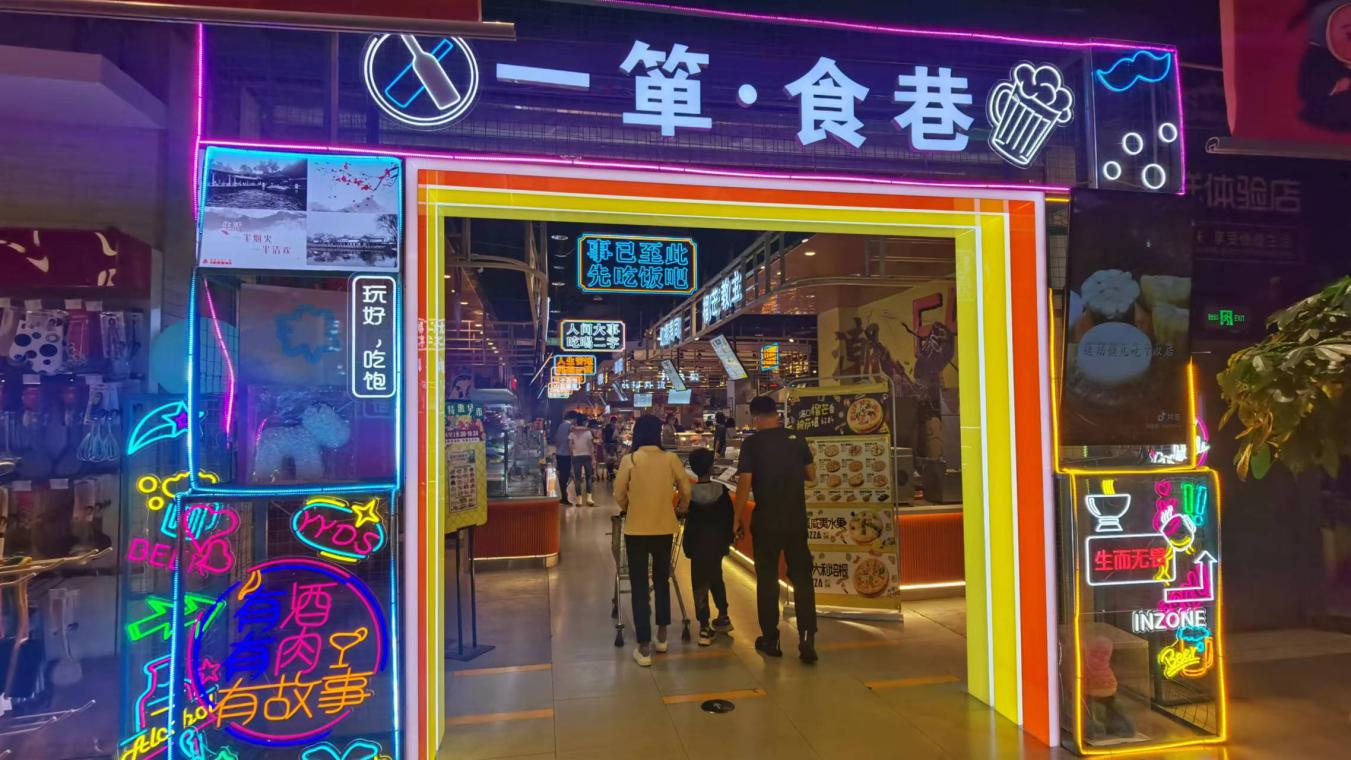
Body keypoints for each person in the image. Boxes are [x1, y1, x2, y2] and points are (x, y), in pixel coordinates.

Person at [733, 395, 818, 663]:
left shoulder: (752, 444)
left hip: (766, 521)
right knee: (802, 579)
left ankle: (771, 639)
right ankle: (807, 639)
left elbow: (744, 483)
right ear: (776, 414)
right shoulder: (797, 438)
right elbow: (812, 475)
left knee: (768, 579)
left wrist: (736, 518)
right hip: (796, 520)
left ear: (755, 417)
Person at [614, 414, 691, 667]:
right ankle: (662, 636)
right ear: (658, 433)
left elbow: (619, 493)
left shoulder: (630, 460)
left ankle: (644, 646)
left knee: (639, 585)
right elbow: (685, 488)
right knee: (661, 580)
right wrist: (681, 508)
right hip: (664, 529)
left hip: (636, 530)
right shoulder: (670, 459)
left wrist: (629, 508)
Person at [684, 448, 734, 645]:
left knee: (699, 583)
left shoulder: (690, 494)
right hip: (716, 544)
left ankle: (704, 625)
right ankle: (723, 615)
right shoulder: (721, 491)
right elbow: (729, 518)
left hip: (697, 546)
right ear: (712, 468)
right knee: (716, 577)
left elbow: (685, 519)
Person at [568, 416, 597, 506]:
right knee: (588, 477)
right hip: (587, 456)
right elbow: (590, 446)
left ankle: (579, 500)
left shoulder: (572, 433)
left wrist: (572, 453)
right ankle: (589, 498)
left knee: (577, 478)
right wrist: (593, 458)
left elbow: (569, 445)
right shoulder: (588, 433)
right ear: (584, 423)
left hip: (576, 456)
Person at [554, 412, 575, 506]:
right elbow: (571, 442)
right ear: (573, 419)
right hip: (566, 454)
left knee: (562, 476)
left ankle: (563, 496)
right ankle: (564, 497)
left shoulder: (560, 426)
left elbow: (556, 439)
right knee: (566, 476)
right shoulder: (570, 427)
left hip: (559, 454)